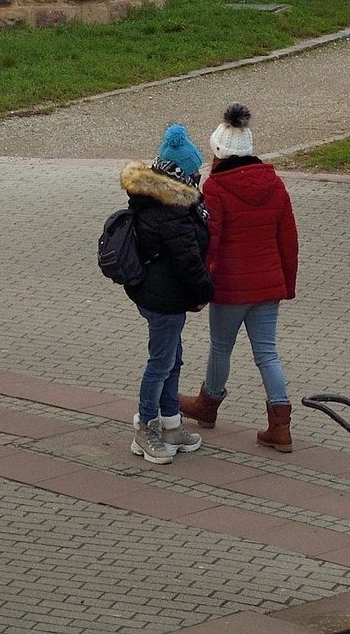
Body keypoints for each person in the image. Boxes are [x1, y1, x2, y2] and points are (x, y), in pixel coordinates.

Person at [180, 103, 299, 451]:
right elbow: (288, 241)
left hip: (231, 289)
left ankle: (208, 404)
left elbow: (210, 244)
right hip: (267, 287)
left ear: (218, 152)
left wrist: (201, 287)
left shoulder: (216, 189)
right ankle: (280, 425)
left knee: (221, 347)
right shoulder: (274, 184)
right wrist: (286, 284)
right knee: (267, 353)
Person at [119, 123, 213, 465]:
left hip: (159, 294)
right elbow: (188, 259)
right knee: (161, 363)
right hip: (164, 298)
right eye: (195, 170)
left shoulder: (156, 197)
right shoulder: (172, 209)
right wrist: (204, 291)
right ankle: (145, 428)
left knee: (172, 359)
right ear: (181, 173)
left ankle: (172, 424)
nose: (199, 175)